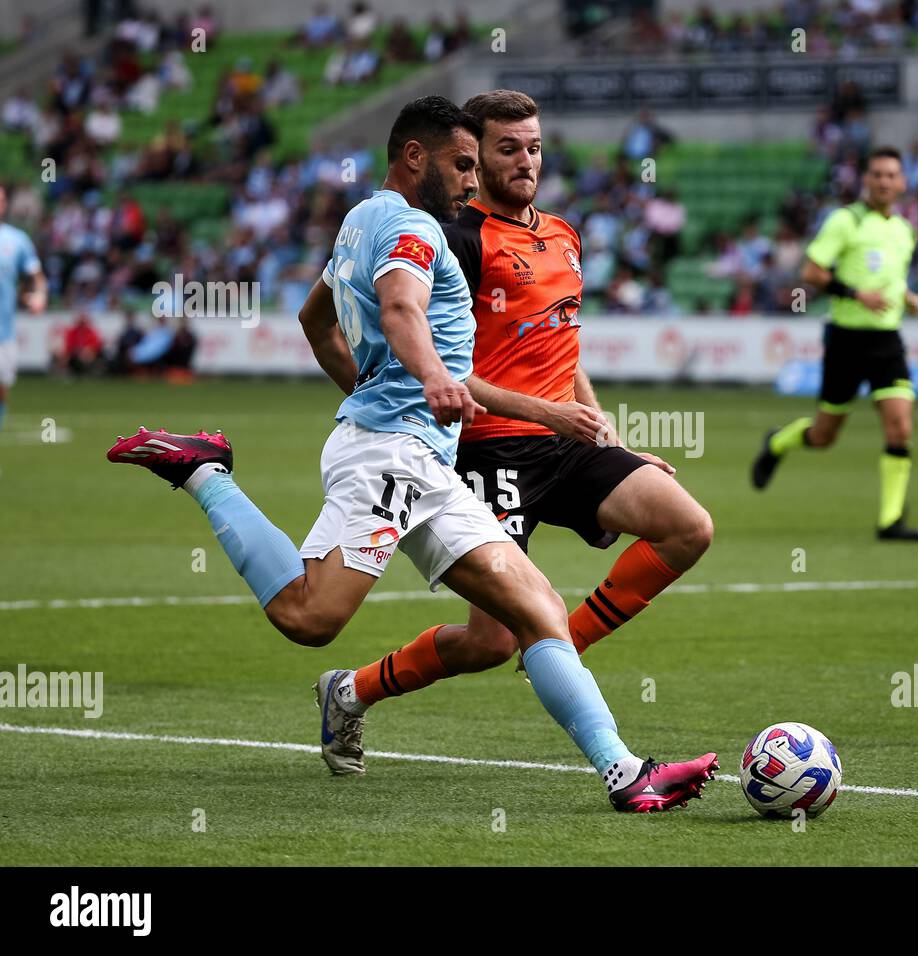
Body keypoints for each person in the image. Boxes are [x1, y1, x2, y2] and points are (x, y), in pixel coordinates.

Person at [107, 96, 717, 811]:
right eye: (465, 163)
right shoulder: (414, 230)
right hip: (392, 458)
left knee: (540, 611)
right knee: (311, 618)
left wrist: (377, 387)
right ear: (415, 157)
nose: (472, 180)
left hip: (422, 457)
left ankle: (626, 775)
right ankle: (206, 473)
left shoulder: (360, 219)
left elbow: (316, 320)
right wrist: (429, 380)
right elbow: (399, 309)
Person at [331, 88, 714, 733]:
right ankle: (351, 691)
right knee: (490, 642)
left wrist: (603, 433)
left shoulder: (564, 235)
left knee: (687, 527)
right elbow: (442, 363)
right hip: (489, 450)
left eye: (534, 147)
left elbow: (562, 342)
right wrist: (547, 412)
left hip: (563, 441)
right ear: (473, 156)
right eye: (508, 148)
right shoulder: (452, 239)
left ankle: (565, 644)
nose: (526, 161)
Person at [751, 147, 918, 541]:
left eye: (891, 175)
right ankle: (779, 442)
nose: (884, 181)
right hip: (846, 340)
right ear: (866, 179)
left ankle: (891, 520)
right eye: (877, 174)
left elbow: (893, 280)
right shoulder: (845, 221)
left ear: (901, 182)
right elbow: (811, 271)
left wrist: (909, 298)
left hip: (887, 340)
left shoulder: (904, 230)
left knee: (900, 427)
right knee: (825, 436)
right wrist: (855, 293)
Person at [0, 183, 47, 432]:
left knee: (1, 391)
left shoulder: (16, 240)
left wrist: (38, 295)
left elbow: (36, 276)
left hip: (3, 334)